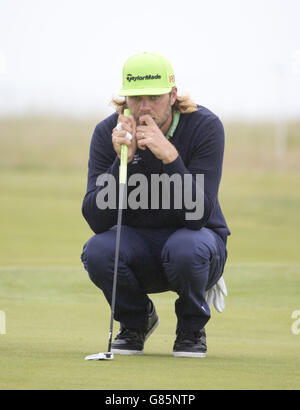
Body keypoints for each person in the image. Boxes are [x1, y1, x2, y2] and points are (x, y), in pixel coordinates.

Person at [81, 52, 230, 358]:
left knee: (186, 248)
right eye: (135, 98)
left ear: (173, 95)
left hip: (197, 241)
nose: (144, 106)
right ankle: (136, 321)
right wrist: (122, 161)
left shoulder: (204, 127)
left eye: (154, 97)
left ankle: (191, 329)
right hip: (138, 246)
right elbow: (97, 219)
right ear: (124, 100)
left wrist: (171, 158)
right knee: (97, 250)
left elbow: (198, 213)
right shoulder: (107, 133)